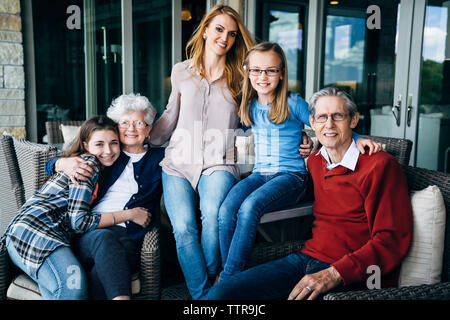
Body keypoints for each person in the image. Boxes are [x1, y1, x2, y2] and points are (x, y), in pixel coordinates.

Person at [208, 86, 413, 300]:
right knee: (221, 293)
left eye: (338, 116)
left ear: (353, 120)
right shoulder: (315, 161)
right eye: (322, 117)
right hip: (306, 259)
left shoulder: (380, 166)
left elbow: (392, 241)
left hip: (357, 275)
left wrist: (334, 274)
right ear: (312, 123)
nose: (329, 125)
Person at [217, 42, 382, 282]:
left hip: (291, 177)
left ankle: (228, 278)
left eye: (271, 70)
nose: (263, 76)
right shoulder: (249, 105)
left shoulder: (293, 102)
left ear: (282, 72)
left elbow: (323, 125)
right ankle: (228, 271)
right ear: (248, 72)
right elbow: (233, 129)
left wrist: (358, 138)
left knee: (249, 207)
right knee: (226, 209)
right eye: (256, 70)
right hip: (259, 174)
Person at [147, 5, 255, 300]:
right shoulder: (181, 71)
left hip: (220, 162)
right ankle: (204, 295)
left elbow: (253, 122)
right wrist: (145, 137)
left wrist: (248, 158)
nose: (225, 38)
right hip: (178, 162)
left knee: (212, 215)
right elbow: (171, 115)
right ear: (205, 30)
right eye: (219, 29)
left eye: (232, 34)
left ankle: (206, 292)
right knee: (182, 227)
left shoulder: (241, 78)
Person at [2, 116, 151, 300]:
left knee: (62, 292)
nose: (108, 150)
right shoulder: (88, 165)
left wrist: (59, 162)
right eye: (99, 144)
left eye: (114, 143)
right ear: (86, 145)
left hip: (32, 233)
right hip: (36, 233)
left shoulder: (97, 165)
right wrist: (129, 214)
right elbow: (79, 222)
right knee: (74, 289)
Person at [45, 93, 164, 299]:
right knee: (105, 240)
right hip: (89, 230)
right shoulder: (107, 154)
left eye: (139, 123)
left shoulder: (161, 158)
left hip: (128, 235)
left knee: (108, 263)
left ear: (149, 128)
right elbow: (53, 161)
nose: (131, 128)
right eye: (124, 122)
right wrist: (60, 163)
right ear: (116, 127)